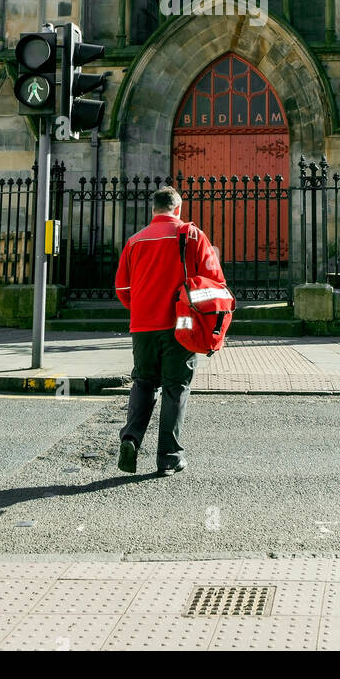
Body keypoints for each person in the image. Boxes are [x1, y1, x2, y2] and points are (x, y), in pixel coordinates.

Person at [114, 185, 226, 477]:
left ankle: (131, 439)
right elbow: (214, 284)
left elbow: (122, 288)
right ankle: (169, 457)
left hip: (142, 325)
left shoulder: (135, 241)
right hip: (182, 324)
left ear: (153, 210)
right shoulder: (192, 235)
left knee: (143, 382)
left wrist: (140, 308)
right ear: (178, 209)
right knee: (176, 389)